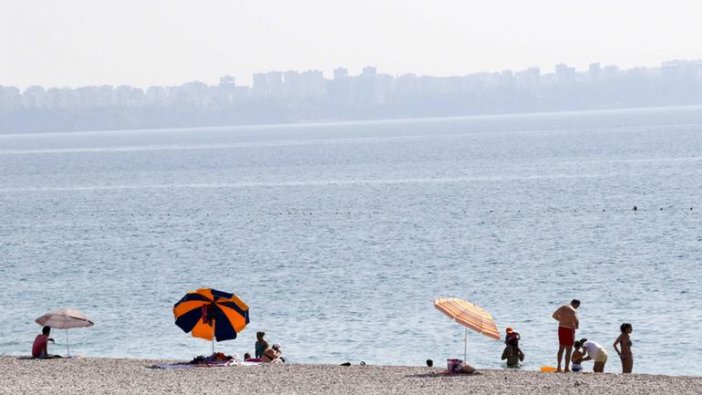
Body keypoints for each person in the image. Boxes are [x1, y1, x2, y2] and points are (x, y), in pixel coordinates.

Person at [552, 299, 580, 372]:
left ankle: (558, 367)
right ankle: (566, 368)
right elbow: (576, 322)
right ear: (576, 304)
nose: (577, 308)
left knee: (561, 348)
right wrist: (576, 326)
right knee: (569, 350)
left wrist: (561, 320)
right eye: (577, 306)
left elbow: (554, 315)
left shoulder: (562, 307)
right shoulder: (573, 310)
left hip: (561, 328)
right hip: (569, 330)